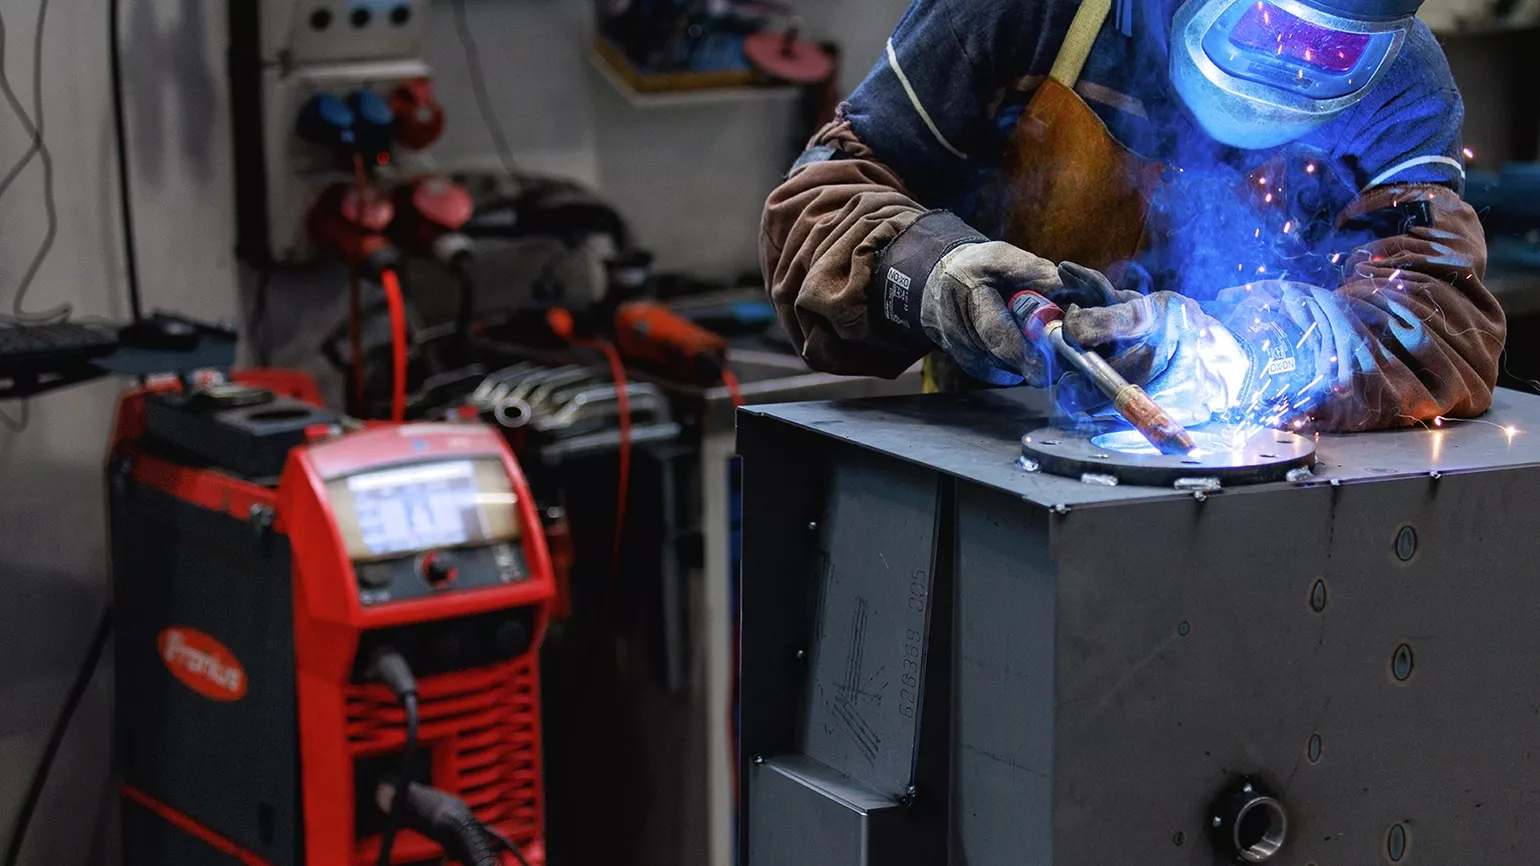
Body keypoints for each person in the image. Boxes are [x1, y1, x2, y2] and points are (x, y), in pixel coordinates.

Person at [760, 0, 1505, 431]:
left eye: (1334, 51)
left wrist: (1236, 356)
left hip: (1266, 500)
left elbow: (1442, 317)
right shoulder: (1030, 9)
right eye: (1268, 26)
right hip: (994, 453)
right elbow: (819, 199)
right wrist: (936, 276)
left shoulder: (1401, 85)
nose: (1293, 61)